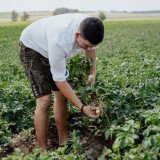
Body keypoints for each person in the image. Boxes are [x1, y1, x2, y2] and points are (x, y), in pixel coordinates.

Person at [19, 13, 104, 152]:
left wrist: (92, 73)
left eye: (92, 46)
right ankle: (43, 151)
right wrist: (82, 108)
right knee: (44, 100)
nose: (88, 49)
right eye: (86, 45)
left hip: (50, 46)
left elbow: (91, 49)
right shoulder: (60, 41)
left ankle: (63, 142)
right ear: (77, 35)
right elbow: (60, 80)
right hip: (32, 47)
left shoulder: (90, 26)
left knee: (62, 96)